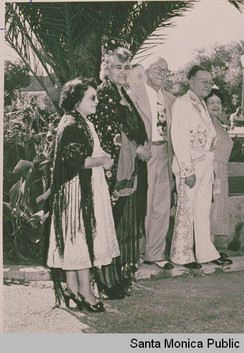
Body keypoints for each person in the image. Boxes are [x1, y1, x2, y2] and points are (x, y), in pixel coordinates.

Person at [47, 78, 119, 312]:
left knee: (76, 239)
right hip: (76, 190)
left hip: (86, 186)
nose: (97, 101)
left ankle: (72, 289)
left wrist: (103, 153)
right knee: (79, 238)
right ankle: (85, 293)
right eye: (92, 97)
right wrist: (103, 161)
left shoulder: (82, 122)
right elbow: (77, 160)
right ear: (77, 100)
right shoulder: (71, 124)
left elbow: (86, 151)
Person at [90, 42, 149, 298]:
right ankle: (104, 281)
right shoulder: (103, 95)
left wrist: (142, 146)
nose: (124, 71)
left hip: (128, 171)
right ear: (106, 69)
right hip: (112, 173)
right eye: (118, 67)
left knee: (120, 223)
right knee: (108, 224)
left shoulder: (122, 93)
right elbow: (108, 134)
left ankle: (117, 276)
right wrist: (136, 150)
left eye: (127, 67)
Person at [170, 66, 231, 269]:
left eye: (210, 81)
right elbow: (178, 137)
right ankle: (182, 255)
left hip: (206, 167)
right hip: (191, 168)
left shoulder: (202, 105)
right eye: (203, 80)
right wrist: (187, 170)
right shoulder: (182, 103)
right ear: (190, 81)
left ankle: (205, 253)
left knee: (203, 211)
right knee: (186, 211)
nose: (207, 85)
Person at [129, 55, 175, 270]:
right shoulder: (134, 95)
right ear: (147, 72)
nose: (162, 74)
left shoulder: (170, 99)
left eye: (165, 71)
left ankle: (154, 253)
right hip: (144, 155)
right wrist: (137, 148)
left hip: (165, 153)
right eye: (158, 69)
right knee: (142, 205)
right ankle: (135, 252)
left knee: (161, 206)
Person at [204, 88, 234, 264]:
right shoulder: (205, 124)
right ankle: (207, 251)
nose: (216, 106)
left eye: (218, 102)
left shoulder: (218, 123)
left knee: (216, 211)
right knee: (210, 211)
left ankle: (212, 248)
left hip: (221, 172)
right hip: (212, 172)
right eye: (211, 102)